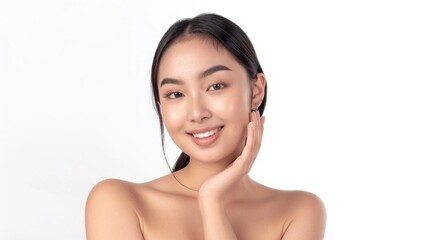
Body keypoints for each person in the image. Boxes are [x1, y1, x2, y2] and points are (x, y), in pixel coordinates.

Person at [85, 12, 326, 240]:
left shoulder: (298, 212)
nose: (197, 113)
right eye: (176, 93)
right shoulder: (118, 202)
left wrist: (212, 201)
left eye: (216, 86)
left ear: (256, 90)